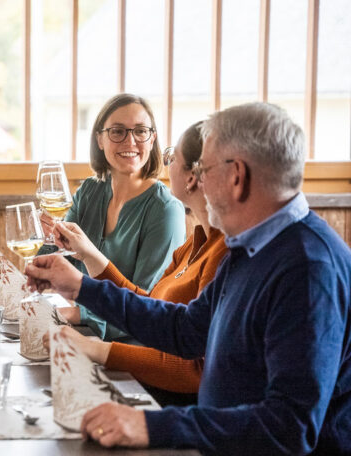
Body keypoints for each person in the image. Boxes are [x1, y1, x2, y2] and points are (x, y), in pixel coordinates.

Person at [26, 102, 351, 454]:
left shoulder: (307, 268)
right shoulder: (253, 245)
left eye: (205, 169)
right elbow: (186, 330)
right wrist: (81, 287)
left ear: (236, 176)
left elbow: (290, 427)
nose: (199, 182)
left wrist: (153, 425)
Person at [45, 121, 228, 405]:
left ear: (192, 177)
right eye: (117, 132)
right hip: (146, 383)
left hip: (171, 403)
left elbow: (198, 371)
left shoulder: (223, 251)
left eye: (171, 157)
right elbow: (150, 308)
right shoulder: (196, 241)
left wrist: (95, 349)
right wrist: (89, 255)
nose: (165, 166)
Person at [52, 93, 185, 341]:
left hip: (131, 353)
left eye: (140, 131)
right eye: (117, 131)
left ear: (152, 138)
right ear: (100, 140)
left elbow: (148, 307)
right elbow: (56, 261)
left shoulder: (165, 210)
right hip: (79, 338)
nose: (130, 141)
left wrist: (79, 314)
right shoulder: (90, 191)